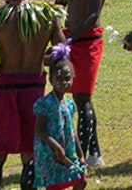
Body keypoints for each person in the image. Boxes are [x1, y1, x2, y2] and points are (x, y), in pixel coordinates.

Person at [0, 0, 67, 190]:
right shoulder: (47, 15)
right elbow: (61, 51)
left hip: (5, 91)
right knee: (31, 154)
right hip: (35, 92)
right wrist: (41, 59)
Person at [52, 0, 108, 167]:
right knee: (77, 96)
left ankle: (82, 156)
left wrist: (69, 39)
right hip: (70, 41)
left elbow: (92, 16)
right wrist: (54, 35)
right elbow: (57, 8)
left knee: (82, 98)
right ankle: (94, 154)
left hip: (86, 43)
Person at [33, 46, 86, 190]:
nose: (63, 83)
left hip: (66, 153)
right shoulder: (46, 104)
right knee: (56, 185)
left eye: (67, 79)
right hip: (50, 154)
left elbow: (72, 130)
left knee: (81, 180)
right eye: (59, 79)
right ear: (51, 79)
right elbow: (39, 129)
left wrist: (80, 154)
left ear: (73, 77)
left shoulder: (69, 105)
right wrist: (56, 148)